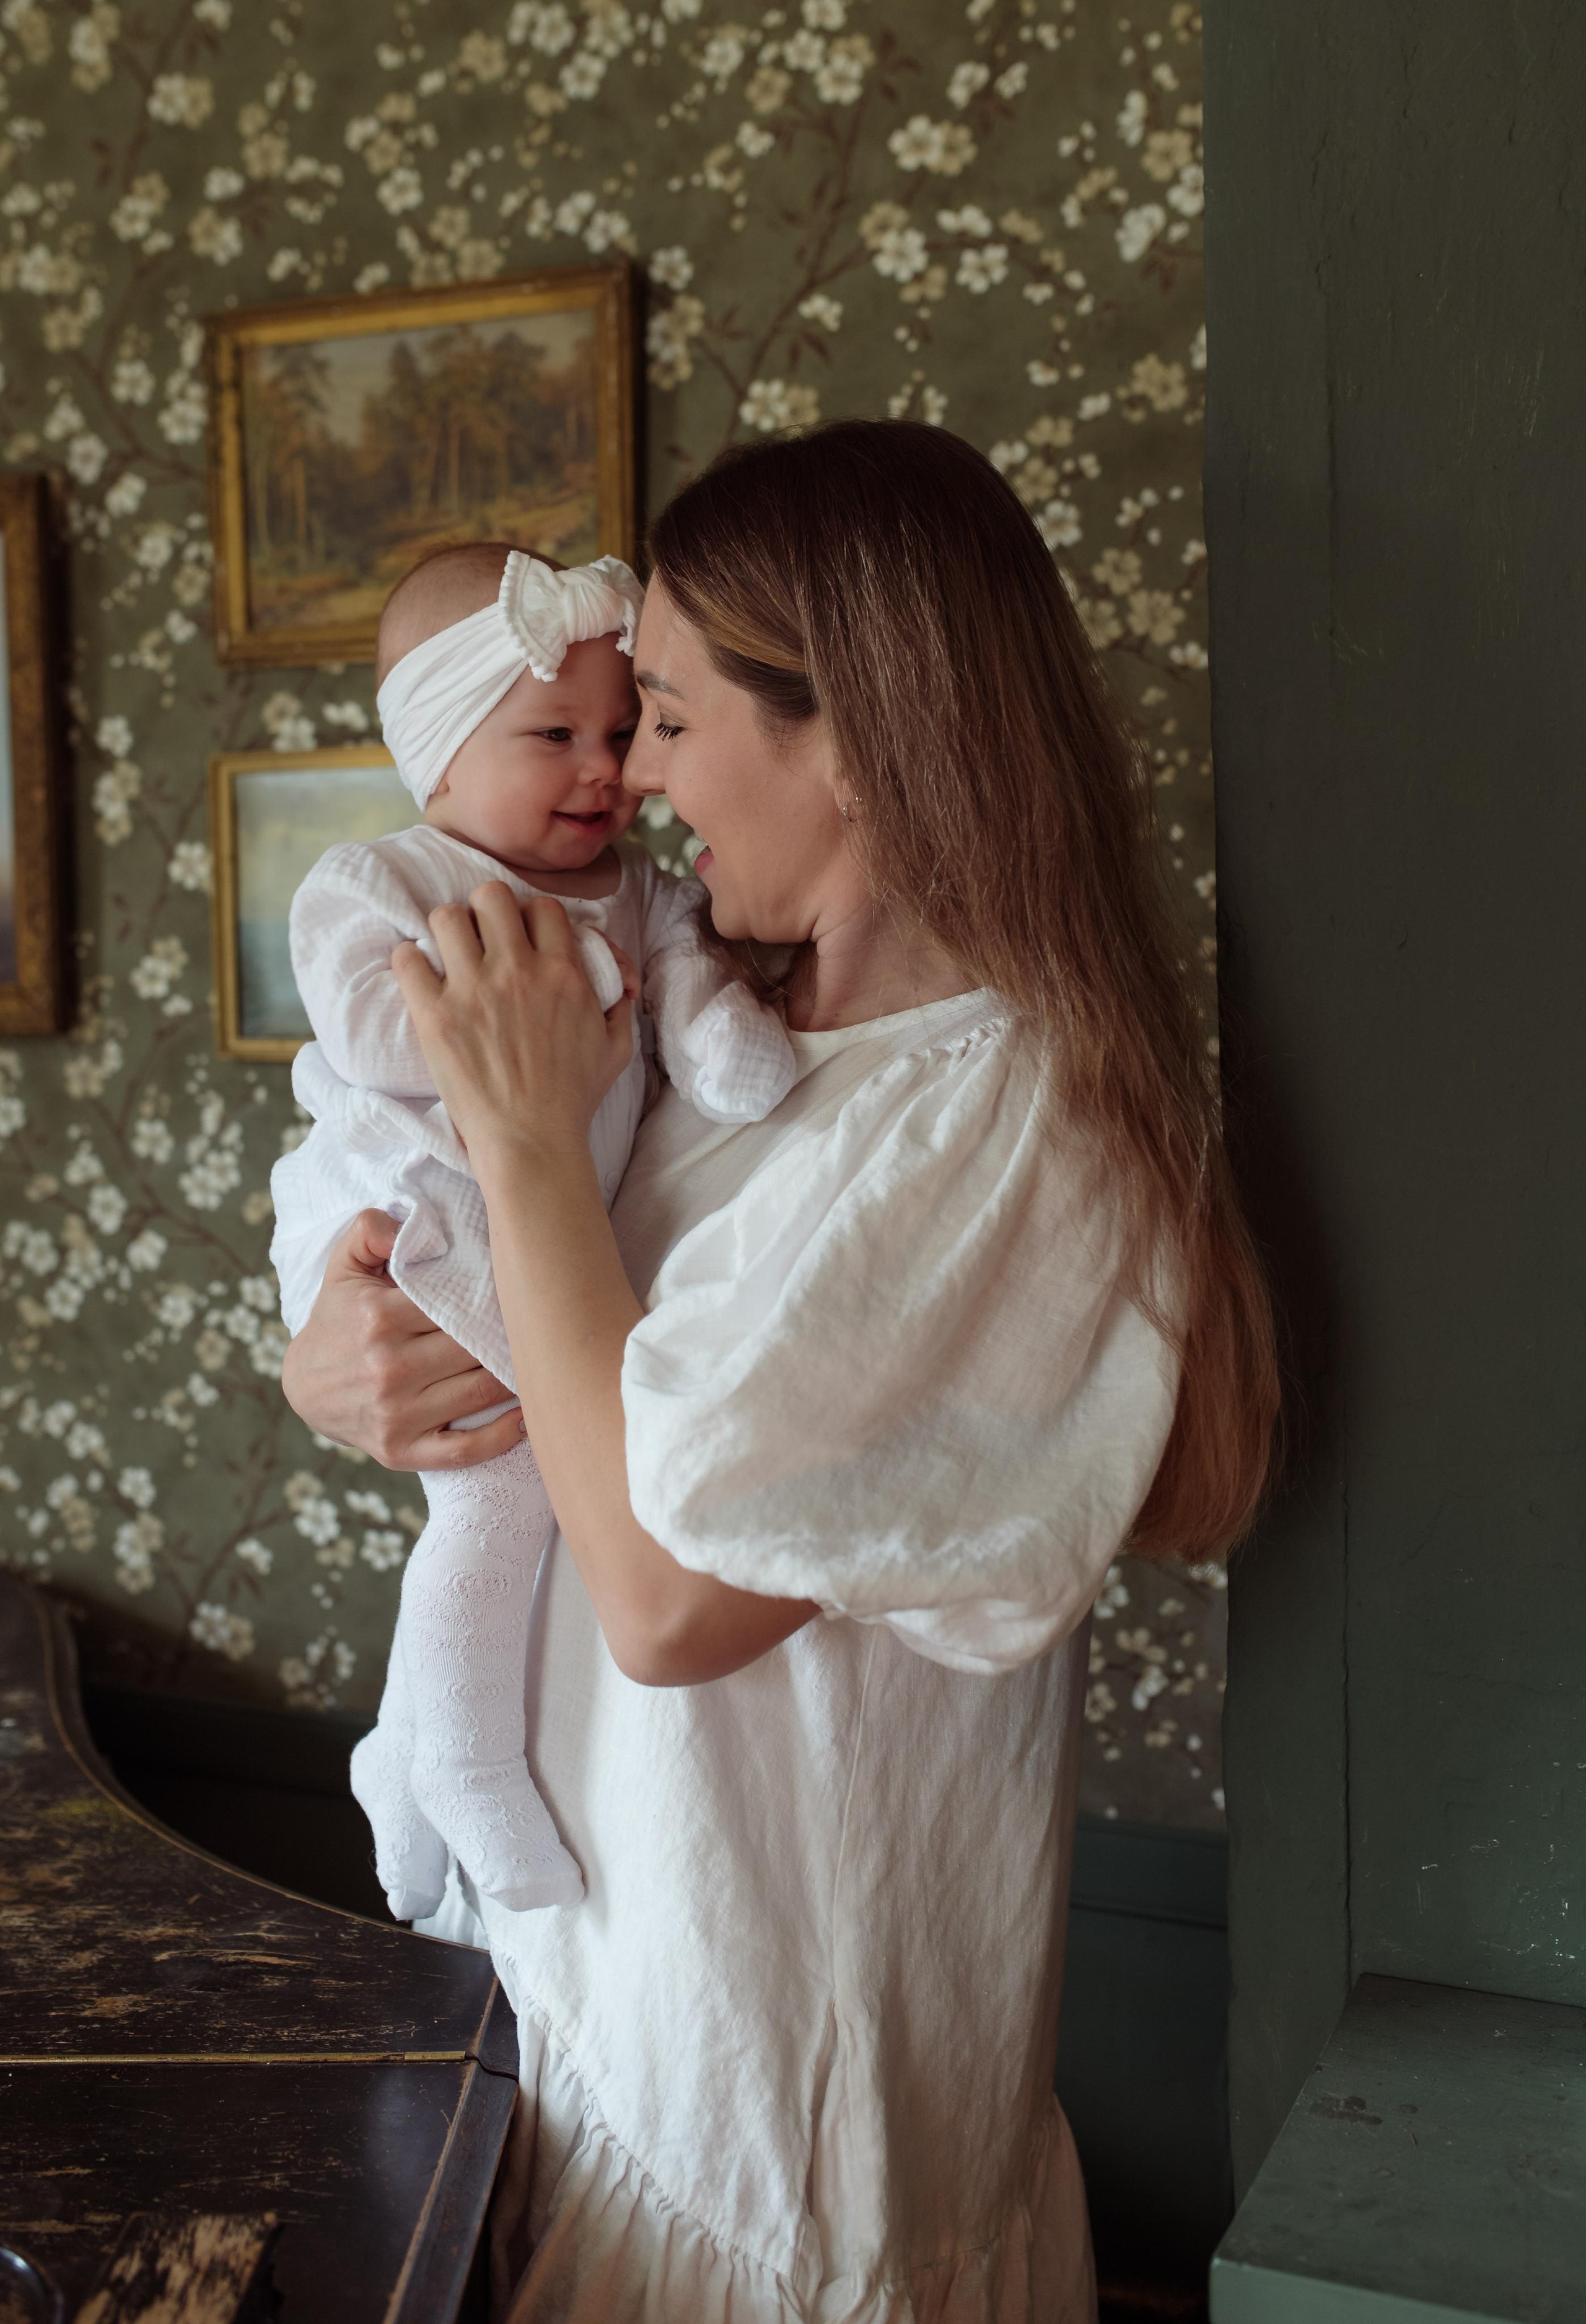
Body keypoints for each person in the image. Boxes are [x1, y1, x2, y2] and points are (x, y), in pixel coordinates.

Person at [282, 420, 1278, 2324]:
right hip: (592, 2021)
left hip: (783, 2146)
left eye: (661, 714)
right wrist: (340, 1361)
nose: (637, 779)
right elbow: (567, 1380)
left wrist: (511, 1145)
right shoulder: (730, 1031)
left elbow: (665, 1595)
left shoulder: (1006, 1126)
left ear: (848, 733)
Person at [271, 542, 793, 1923]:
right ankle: (461, 1760)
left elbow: (687, 984)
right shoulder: (382, 878)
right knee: (509, 1483)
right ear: (438, 753)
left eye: (624, 731)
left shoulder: (637, 889)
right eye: (553, 735)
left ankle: (403, 1750)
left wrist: (717, 1038)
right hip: (406, 1203)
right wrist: (578, 982)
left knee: (536, 1481)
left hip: (525, 1214)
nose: (604, 770)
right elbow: (381, 1035)